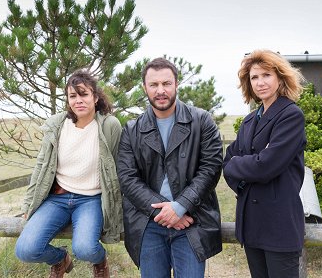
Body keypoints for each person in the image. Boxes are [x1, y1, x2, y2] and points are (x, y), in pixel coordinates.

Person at [116, 57, 223, 278]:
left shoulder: (202, 121)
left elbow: (210, 169)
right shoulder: (131, 130)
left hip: (191, 221)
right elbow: (127, 179)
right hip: (149, 223)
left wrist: (180, 206)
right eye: (154, 85)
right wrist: (164, 213)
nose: (160, 90)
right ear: (145, 87)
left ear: (176, 84)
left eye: (166, 83)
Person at [15, 69, 123, 278]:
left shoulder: (110, 125)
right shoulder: (57, 125)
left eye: (84, 94)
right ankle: (60, 259)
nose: (78, 100)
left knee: (85, 249)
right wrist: (29, 202)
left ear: (95, 97)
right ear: (67, 99)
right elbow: (41, 165)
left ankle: (99, 260)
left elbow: (118, 169)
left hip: (91, 200)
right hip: (58, 198)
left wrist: (120, 207)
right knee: (26, 250)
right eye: (73, 96)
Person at [223, 50, 306, 278]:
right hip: (251, 224)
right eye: (254, 78)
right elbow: (228, 163)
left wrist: (246, 164)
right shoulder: (250, 120)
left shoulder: (290, 116)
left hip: (279, 225)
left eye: (266, 75)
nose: (260, 83)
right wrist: (243, 180)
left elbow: (266, 166)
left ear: (279, 77)